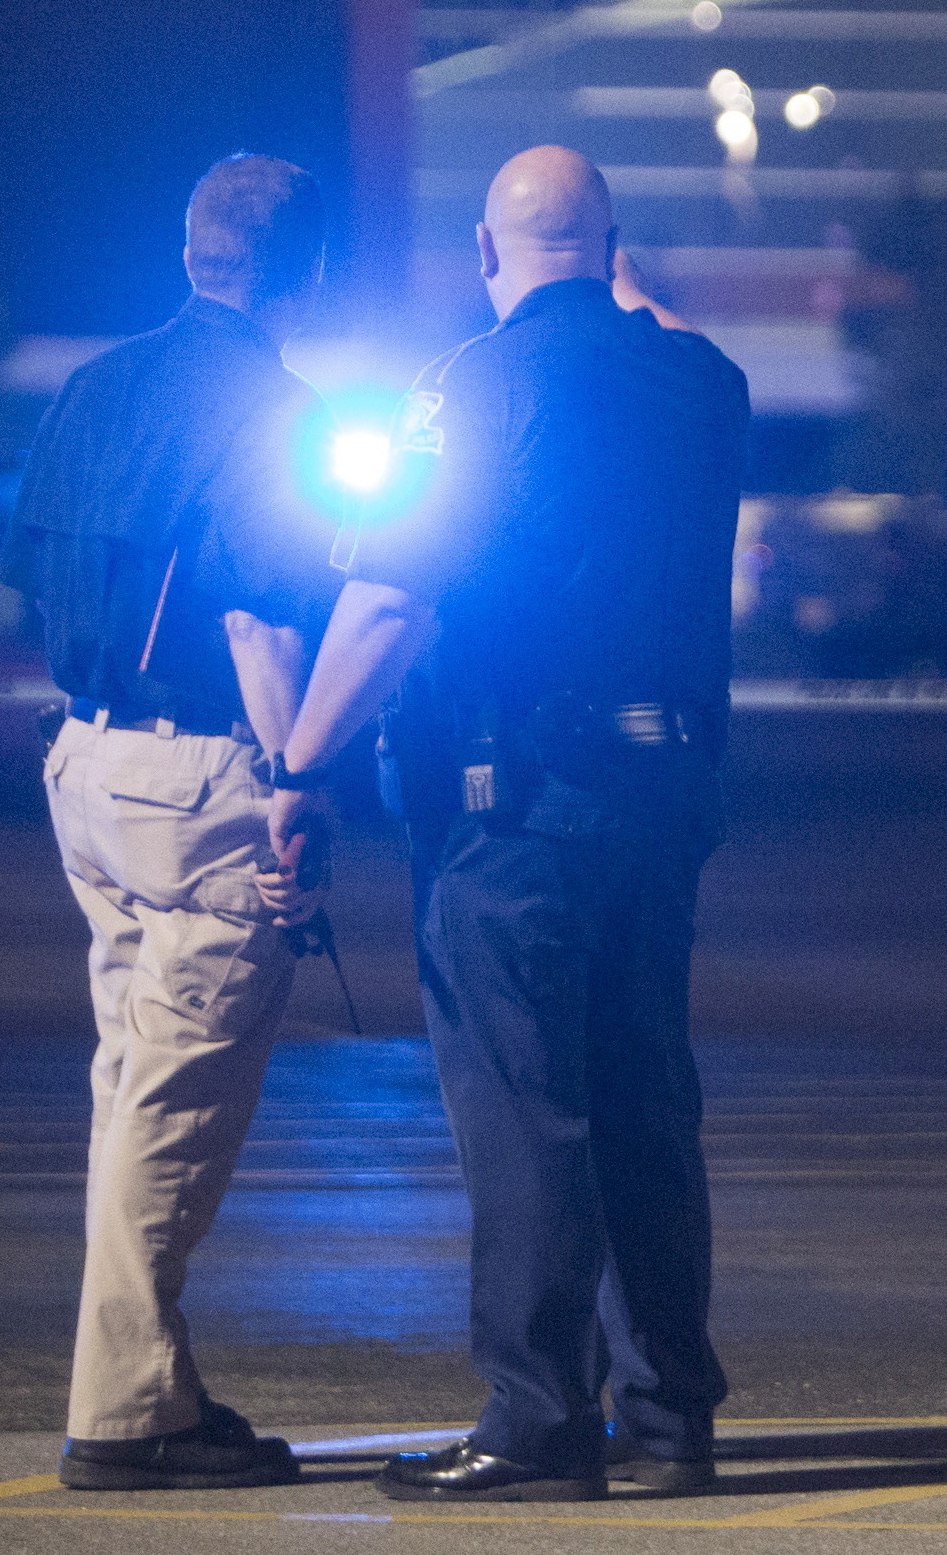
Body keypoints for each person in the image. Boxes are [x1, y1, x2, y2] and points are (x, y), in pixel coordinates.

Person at [272, 146, 750, 1504]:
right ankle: (670, 1417)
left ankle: (538, 1419)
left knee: (526, 1110)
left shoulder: (469, 386)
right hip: (663, 798)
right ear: (613, 246)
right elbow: (645, 337)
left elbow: (387, 598)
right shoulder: (707, 383)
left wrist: (298, 757)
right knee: (646, 1099)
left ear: (486, 253)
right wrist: (615, 278)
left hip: (514, 809)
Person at [2, 155, 342, 1492]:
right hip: (201, 777)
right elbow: (258, 613)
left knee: (128, 1089)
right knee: (173, 1101)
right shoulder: (270, 408)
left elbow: (32, 571)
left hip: (83, 762)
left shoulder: (89, 387)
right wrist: (293, 782)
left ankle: (153, 1382)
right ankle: (128, 1411)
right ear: (307, 270)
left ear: (191, 248)